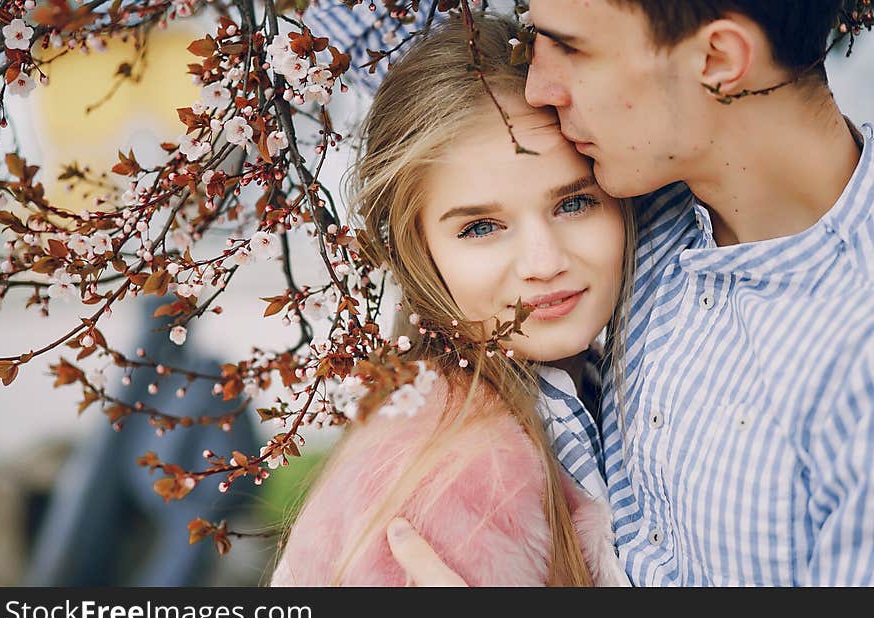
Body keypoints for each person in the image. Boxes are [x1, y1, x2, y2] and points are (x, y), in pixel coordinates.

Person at [387, 0, 874, 586]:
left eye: (569, 47)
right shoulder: (641, 197)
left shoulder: (856, 366)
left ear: (717, 59)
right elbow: (441, 112)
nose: (537, 87)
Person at [268, 14, 633, 586]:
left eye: (573, 204)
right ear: (418, 250)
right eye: (481, 227)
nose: (544, 262)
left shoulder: (595, 395)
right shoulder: (457, 487)